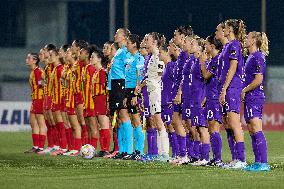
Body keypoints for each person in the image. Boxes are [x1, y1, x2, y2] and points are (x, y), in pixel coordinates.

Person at [219, 19, 247, 169]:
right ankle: (235, 158)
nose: (223, 29)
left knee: (235, 123)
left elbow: (233, 67)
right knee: (228, 123)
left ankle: (241, 159)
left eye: (225, 27)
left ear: (230, 29)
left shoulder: (235, 44)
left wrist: (224, 88)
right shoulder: (228, 46)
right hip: (227, 87)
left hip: (233, 87)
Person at [242, 31, 270, 171]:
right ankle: (258, 162)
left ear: (253, 41)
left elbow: (258, 80)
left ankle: (263, 163)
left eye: (248, 37)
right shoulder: (251, 57)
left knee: (256, 127)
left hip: (255, 96)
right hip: (249, 97)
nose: (245, 39)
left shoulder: (258, 56)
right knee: (252, 129)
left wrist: (244, 90)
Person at [145, 32, 169, 162]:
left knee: (159, 123)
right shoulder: (152, 56)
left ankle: (164, 154)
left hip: (156, 92)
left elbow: (161, 74)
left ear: (154, 42)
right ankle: (161, 153)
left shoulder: (158, 56)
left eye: (147, 39)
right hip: (152, 91)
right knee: (156, 122)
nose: (145, 41)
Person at [200, 34, 223, 166]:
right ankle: (215, 158)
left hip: (215, 98)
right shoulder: (215, 59)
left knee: (214, 128)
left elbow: (206, 75)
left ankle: (218, 159)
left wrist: (203, 62)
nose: (205, 47)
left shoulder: (217, 60)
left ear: (212, 46)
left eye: (207, 45)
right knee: (211, 128)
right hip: (210, 97)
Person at [123, 34, 145, 160]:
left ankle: (140, 151)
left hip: (134, 90)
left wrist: (136, 93)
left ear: (134, 44)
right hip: (128, 90)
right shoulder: (130, 58)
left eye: (129, 43)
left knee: (137, 120)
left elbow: (140, 76)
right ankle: (134, 151)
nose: (127, 45)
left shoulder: (139, 58)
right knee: (133, 119)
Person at [24, 53, 47, 154]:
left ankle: (40, 148)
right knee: (33, 123)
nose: (27, 59)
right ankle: (35, 146)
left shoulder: (38, 72)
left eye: (29, 58)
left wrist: (43, 84)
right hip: (35, 99)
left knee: (41, 123)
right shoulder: (33, 72)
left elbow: (42, 84)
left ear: (35, 61)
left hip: (40, 99)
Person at [91, 48, 111, 157]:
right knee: (100, 126)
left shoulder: (103, 72)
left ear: (99, 59)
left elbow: (106, 88)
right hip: (97, 100)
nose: (91, 59)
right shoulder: (96, 73)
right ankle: (103, 148)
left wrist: (107, 102)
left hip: (102, 99)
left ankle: (106, 149)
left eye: (93, 57)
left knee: (104, 125)